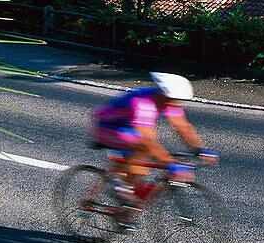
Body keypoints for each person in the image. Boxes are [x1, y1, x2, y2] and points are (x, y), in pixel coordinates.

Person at [89, 72, 217, 226]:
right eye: (174, 101)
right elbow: (148, 140)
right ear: (164, 95)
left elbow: (182, 127)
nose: (178, 105)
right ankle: (123, 189)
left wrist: (199, 149)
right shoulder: (143, 104)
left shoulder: (168, 101)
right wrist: (170, 163)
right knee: (142, 152)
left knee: (141, 159)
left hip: (127, 127)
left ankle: (126, 195)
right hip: (106, 126)